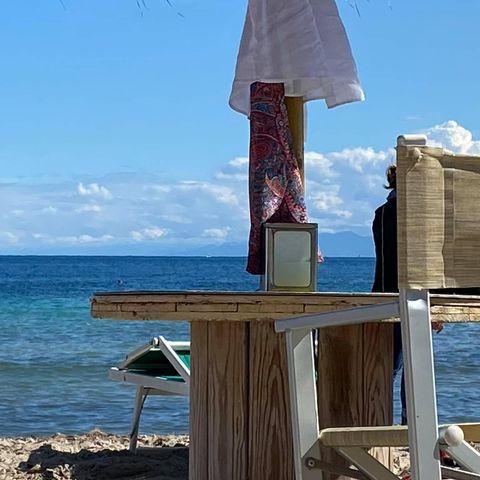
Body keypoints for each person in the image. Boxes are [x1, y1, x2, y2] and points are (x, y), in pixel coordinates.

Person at [371, 165, 408, 424]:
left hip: (383, 293)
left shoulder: (382, 213)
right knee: (407, 365)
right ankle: (408, 422)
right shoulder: (407, 214)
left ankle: (380, 419)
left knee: (391, 365)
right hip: (403, 295)